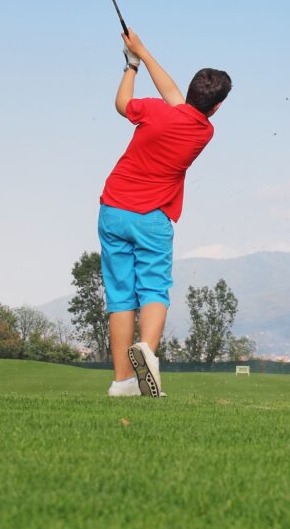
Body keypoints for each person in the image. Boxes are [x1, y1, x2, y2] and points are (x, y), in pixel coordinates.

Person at [99, 28, 231, 397]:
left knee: (121, 296)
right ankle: (148, 353)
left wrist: (132, 64)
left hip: (112, 209)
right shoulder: (204, 131)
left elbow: (122, 103)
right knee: (154, 288)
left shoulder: (155, 112)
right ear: (217, 107)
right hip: (152, 218)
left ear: (189, 93)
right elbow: (175, 97)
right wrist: (141, 51)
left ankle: (122, 382)